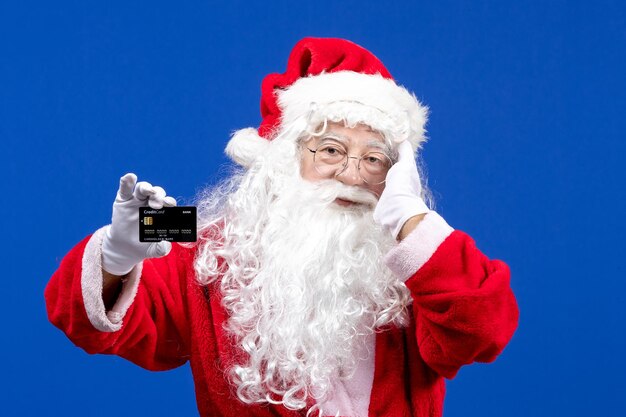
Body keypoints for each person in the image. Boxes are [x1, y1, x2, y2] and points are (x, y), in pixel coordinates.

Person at [45, 37, 519, 417]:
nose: (352, 176)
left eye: (374, 160)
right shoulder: (208, 238)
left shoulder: (416, 250)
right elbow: (89, 324)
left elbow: (483, 331)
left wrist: (410, 217)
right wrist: (117, 254)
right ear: (282, 157)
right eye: (331, 150)